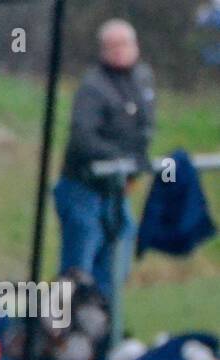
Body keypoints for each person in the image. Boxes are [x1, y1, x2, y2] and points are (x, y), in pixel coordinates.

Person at [55, 19, 155, 299]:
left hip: (117, 190)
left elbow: (145, 127)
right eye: (112, 46)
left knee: (115, 267)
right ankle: (68, 334)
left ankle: (104, 331)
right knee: (78, 273)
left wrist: (134, 167)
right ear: (102, 50)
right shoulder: (93, 87)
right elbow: (83, 138)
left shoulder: (142, 79)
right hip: (83, 188)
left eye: (125, 44)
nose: (119, 51)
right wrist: (121, 160)